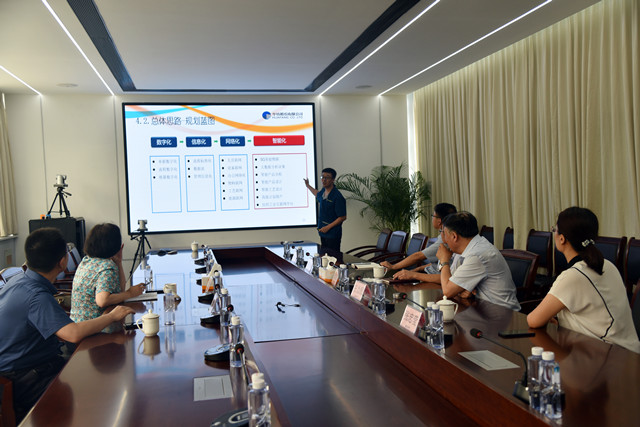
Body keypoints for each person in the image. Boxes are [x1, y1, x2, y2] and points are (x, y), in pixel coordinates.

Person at [0, 228, 134, 422]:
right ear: (62, 262)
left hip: (28, 363)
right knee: (95, 387)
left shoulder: (20, 280)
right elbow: (73, 334)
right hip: (23, 376)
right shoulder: (36, 296)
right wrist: (112, 316)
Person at [527, 207, 640, 353]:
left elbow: (533, 320)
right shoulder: (608, 265)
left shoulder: (573, 276)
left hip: (609, 357)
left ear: (562, 238)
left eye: (554, 230)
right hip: (629, 353)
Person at [436, 211, 520, 311]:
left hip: (502, 314)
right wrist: (463, 288)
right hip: (484, 308)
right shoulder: (477, 245)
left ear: (454, 236)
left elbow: (447, 291)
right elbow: (452, 281)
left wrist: (444, 260)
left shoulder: (477, 255)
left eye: (445, 234)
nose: (444, 240)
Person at [70, 223, 144, 328]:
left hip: (78, 326)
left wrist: (118, 262)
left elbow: (119, 291)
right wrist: (130, 293)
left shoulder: (86, 260)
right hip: (93, 329)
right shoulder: (107, 266)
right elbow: (102, 300)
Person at [382, 203, 457, 279]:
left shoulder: (445, 240)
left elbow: (418, 256)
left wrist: (393, 266)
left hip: (434, 278)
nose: (432, 218)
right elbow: (438, 263)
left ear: (439, 221)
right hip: (429, 273)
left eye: (433, 216)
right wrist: (418, 269)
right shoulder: (444, 237)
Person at [304, 168, 347, 252]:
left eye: (327, 177)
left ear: (333, 180)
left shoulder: (337, 196)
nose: (324, 180)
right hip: (323, 232)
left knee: (333, 256)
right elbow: (317, 194)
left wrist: (328, 227)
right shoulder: (324, 191)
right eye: (322, 177)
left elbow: (342, 217)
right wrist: (308, 185)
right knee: (324, 255)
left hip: (332, 234)